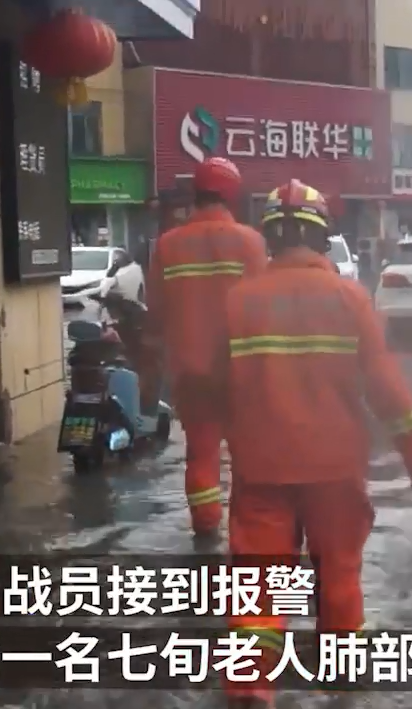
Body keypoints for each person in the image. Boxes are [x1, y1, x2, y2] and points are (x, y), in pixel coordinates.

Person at [219, 179, 412, 707]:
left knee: (257, 582)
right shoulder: (349, 298)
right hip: (335, 468)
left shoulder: (239, 301)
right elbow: (384, 384)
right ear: (322, 238)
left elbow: (208, 386)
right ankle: (341, 681)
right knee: (338, 574)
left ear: (268, 235)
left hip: (261, 467)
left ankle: (250, 684)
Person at [142, 156, 267, 537]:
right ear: (232, 194)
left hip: (190, 372)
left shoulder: (168, 245)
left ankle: (205, 527)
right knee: (247, 455)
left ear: (195, 192)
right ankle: (246, 534)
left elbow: (156, 310)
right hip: (240, 370)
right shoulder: (251, 242)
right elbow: (263, 308)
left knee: (201, 452)